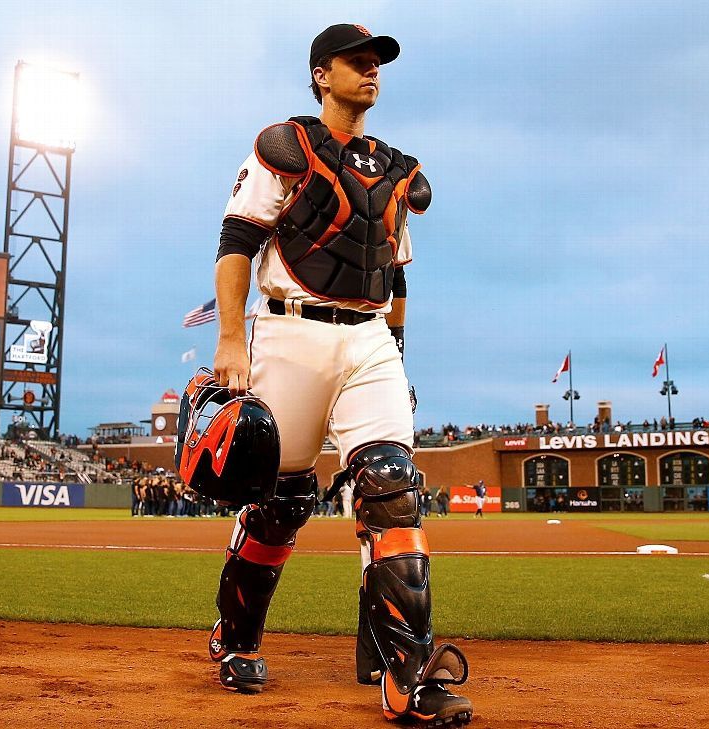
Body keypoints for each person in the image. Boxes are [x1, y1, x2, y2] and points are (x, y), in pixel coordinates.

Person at [204, 23, 471, 725]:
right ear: (321, 74)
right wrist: (232, 338)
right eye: (357, 62)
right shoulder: (285, 148)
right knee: (282, 502)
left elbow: (396, 267)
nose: (371, 70)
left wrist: (399, 350)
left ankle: (406, 672)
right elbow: (237, 241)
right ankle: (235, 638)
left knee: (392, 487)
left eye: (377, 62)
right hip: (290, 329)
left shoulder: (396, 170)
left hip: (370, 336)